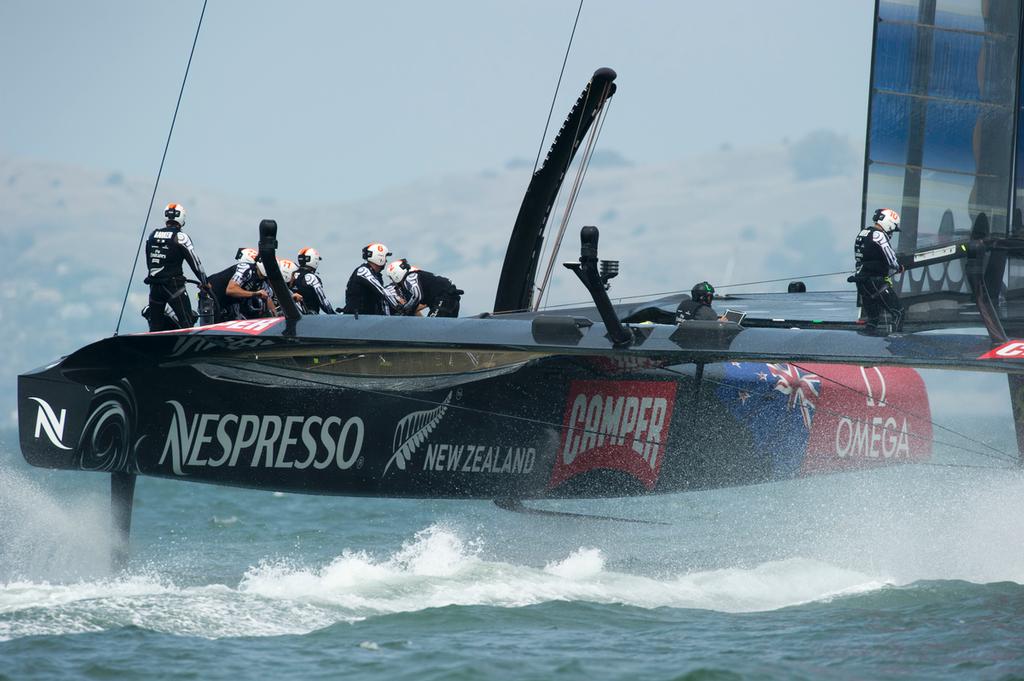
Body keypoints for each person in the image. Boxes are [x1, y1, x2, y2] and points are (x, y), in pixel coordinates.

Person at [144, 202, 207, 331]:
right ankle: (189, 348)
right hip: (174, 287)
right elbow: (195, 263)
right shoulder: (181, 237)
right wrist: (205, 282)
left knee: (155, 328)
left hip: (154, 287)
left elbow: (148, 261)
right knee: (187, 323)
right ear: (182, 218)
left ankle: (156, 348)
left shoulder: (152, 235)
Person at [853, 208, 904, 334]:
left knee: (873, 319)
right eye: (893, 228)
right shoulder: (879, 235)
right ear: (888, 223)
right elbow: (891, 257)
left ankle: (866, 344)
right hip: (876, 282)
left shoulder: (864, 232)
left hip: (861, 282)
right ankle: (897, 344)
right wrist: (898, 267)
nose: (892, 232)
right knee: (898, 312)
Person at [384, 259, 463, 317]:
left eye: (391, 278)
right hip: (452, 298)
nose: (392, 281)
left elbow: (417, 296)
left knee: (430, 328)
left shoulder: (410, 277)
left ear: (395, 275)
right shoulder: (416, 276)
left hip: (444, 298)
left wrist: (405, 308)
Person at [343, 242, 404, 315]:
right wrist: (400, 306)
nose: (386, 261)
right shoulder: (363, 271)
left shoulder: (376, 275)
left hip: (368, 318)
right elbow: (383, 292)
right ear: (379, 257)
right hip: (357, 318)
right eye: (385, 257)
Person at [226, 249, 276, 318]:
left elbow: (268, 299)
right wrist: (255, 294)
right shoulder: (246, 268)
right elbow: (230, 290)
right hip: (214, 300)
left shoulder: (263, 281)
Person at [293, 247, 337, 314]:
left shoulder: (291, 275)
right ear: (314, 260)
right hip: (309, 319)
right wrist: (334, 316)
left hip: (291, 317)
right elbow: (323, 302)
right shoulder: (311, 278)